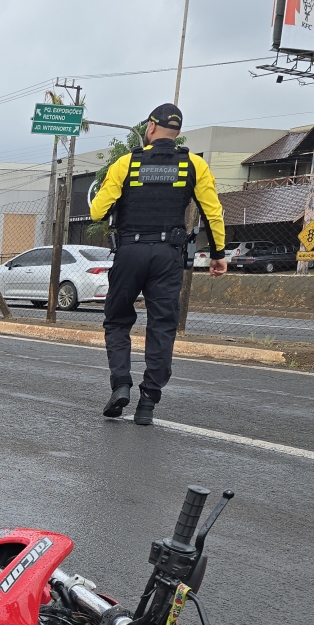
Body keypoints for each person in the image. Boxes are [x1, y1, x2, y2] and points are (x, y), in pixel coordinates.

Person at [89, 103, 227, 425]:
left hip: (130, 252)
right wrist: (219, 254)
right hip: (168, 256)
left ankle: (121, 384)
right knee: (162, 327)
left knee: (118, 321)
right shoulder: (194, 165)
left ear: (151, 128)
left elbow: (97, 212)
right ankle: (147, 402)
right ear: (177, 133)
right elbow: (213, 212)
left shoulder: (127, 162)